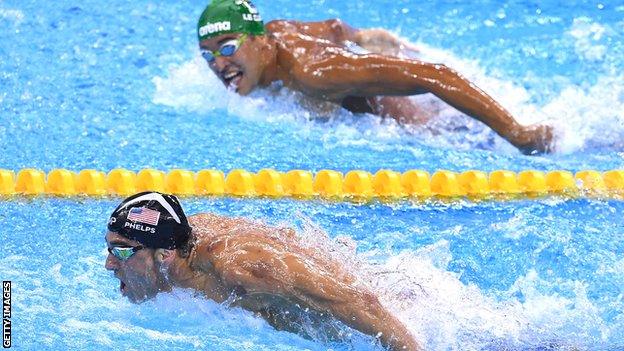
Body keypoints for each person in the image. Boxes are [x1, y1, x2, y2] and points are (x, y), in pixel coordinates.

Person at [196, 0, 554, 155]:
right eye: (208, 54)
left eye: (227, 48)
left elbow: (434, 74)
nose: (217, 64)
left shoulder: (314, 72)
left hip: (436, 127)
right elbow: (334, 27)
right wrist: (362, 37)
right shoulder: (278, 32)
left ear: (260, 42)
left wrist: (516, 132)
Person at [105, 191, 422, 350]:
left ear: (164, 255)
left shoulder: (241, 268)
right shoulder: (182, 239)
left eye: (120, 251)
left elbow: (362, 302)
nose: (109, 264)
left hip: (407, 318)